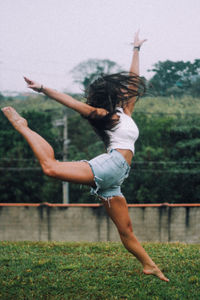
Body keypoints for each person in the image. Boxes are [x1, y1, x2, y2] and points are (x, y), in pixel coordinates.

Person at [1, 31, 169, 282]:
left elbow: (134, 80)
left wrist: (136, 49)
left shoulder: (126, 112)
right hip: (111, 165)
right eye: (121, 90)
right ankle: (23, 126)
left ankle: (150, 266)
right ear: (111, 95)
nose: (126, 91)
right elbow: (71, 103)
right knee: (51, 167)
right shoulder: (104, 115)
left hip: (115, 178)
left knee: (126, 230)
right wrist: (43, 88)